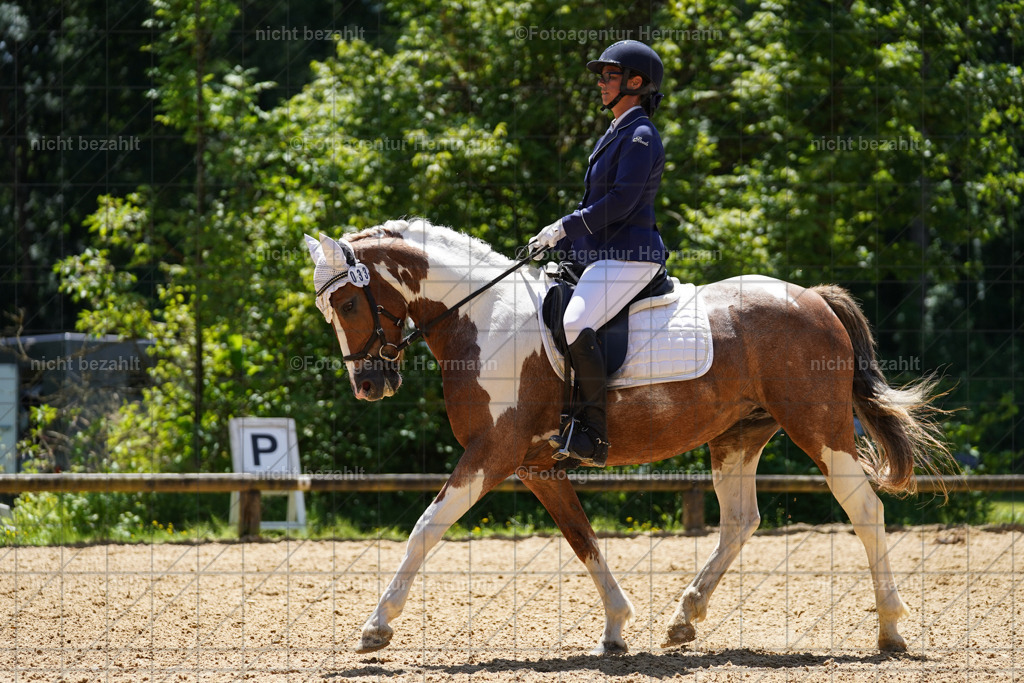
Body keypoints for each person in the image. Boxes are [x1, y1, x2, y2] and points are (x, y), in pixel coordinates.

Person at [529, 40, 667, 467]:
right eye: (602, 76)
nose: (602, 84)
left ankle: (594, 434)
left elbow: (622, 202)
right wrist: (560, 241)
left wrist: (565, 226)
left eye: (610, 76)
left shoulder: (641, 134)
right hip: (603, 256)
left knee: (574, 323)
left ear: (635, 82)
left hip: (632, 256)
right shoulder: (617, 131)